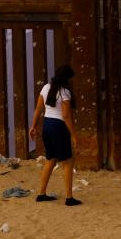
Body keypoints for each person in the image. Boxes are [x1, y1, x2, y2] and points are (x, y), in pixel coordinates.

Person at [28, 64, 80, 206]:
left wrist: (33, 126)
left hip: (47, 126)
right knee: (68, 162)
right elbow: (66, 116)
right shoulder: (65, 92)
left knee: (50, 159)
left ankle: (41, 193)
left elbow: (38, 109)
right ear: (67, 78)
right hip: (59, 127)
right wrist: (74, 135)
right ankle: (69, 198)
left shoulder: (46, 88)